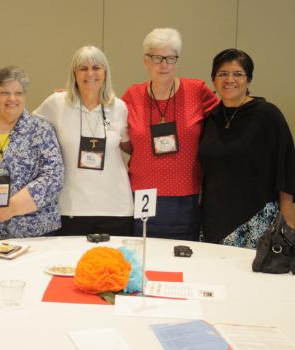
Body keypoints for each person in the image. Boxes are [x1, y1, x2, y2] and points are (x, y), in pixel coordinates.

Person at [122, 28, 219, 241]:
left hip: (187, 194)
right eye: (157, 58)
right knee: (145, 254)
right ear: (146, 61)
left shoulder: (197, 90)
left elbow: (227, 118)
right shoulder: (132, 95)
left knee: (183, 260)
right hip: (143, 193)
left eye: (170, 58)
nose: (164, 65)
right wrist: (73, 98)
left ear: (177, 61)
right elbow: (115, 132)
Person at [198, 49, 295, 248]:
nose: (229, 79)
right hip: (212, 220)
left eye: (238, 74)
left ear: (248, 79)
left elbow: (286, 164)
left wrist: (288, 218)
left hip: (256, 220)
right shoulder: (211, 118)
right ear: (213, 80)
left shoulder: (267, 115)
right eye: (222, 74)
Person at [33, 46, 133, 235]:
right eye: (83, 68)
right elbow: (25, 126)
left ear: (105, 73)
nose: (90, 74)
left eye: (96, 67)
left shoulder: (119, 107)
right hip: (71, 208)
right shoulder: (57, 103)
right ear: (74, 74)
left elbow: (130, 145)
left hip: (116, 208)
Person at [0, 66, 64, 239]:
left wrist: (12, 207)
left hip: (31, 236)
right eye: (4, 93)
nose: (12, 98)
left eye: (18, 93)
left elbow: (53, 178)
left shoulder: (41, 130)